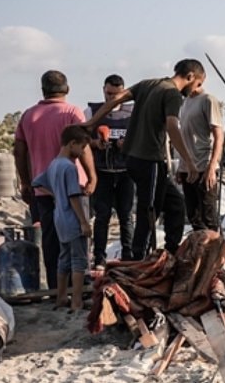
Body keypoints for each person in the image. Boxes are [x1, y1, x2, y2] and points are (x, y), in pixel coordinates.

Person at [84, 60, 204, 260]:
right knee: (149, 211)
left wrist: (91, 122)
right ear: (190, 76)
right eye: (198, 84)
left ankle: (170, 251)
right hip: (149, 160)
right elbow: (172, 126)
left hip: (133, 159)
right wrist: (189, 162)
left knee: (175, 204)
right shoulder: (172, 93)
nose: (195, 90)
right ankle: (139, 258)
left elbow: (117, 99)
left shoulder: (148, 84)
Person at [14, 70, 92, 290]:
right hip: (75, 189)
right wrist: (92, 177)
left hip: (44, 191)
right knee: (77, 242)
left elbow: (19, 152)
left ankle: (56, 289)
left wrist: (26, 182)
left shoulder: (28, 116)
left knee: (51, 243)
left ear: (43, 91)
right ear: (67, 89)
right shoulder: (72, 112)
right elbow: (84, 147)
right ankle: (78, 291)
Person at [31, 125, 93, 312]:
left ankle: (61, 297)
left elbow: (36, 182)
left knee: (64, 258)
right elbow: (74, 197)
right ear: (72, 143)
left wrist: (57, 194)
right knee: (79, 261)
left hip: (59, 217)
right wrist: (84, 222)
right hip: (72, 219)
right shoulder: (69, 167)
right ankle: (76, 301)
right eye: (82, 147)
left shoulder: (53, 165)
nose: (82, 152)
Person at [87, 74, 136, 266]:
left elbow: (141, 138)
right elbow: (81, 139)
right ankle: (99, 258)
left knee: (126, 216)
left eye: (116, 94)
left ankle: (128, 256)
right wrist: (96, 143)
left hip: (126, 173)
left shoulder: (133, 113)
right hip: (102, 173)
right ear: (103, 90)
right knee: (102, 217)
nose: (112, 98)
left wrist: (127, 144)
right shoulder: (92, 111)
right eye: (109, 93)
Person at [178, 78, 225, 231]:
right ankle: (201, 245)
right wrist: (181, 166)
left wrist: (212, 166)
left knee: (208, 217)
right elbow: (184, 136)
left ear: (193, 79)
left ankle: (214, 245)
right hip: (187, 169)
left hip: (203, 167)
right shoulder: (185, 103)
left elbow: (218, 136)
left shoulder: (208, 100)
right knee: (193, 216)